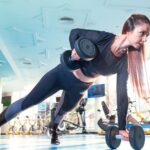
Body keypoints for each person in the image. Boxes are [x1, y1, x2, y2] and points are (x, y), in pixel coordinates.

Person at [0, 13, 150, 144]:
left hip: (79, 88)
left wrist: (122, 128)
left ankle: (53, 130)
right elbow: (75, 33)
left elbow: (122, 94)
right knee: (29, 102)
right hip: (61, 74)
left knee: (63, 112)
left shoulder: (124, 63)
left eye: (147, 36)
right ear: (129, 29)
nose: (144, 39)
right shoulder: (104, 38)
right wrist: (75, 51)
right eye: (142, 33)